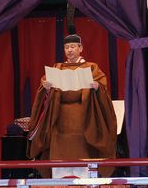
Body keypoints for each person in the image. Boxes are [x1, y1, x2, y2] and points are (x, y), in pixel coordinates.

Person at [27, 34, 117, 166]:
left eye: (73, 46)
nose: (69, 50)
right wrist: (46, 89)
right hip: (60, 116)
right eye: (66, 47)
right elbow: (44, 91)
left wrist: (97, 87)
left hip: (84, 116)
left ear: (80, 48)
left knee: (83, 156)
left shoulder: (91, 67)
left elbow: (102, 89)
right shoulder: (57, 68)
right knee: (60, 158)